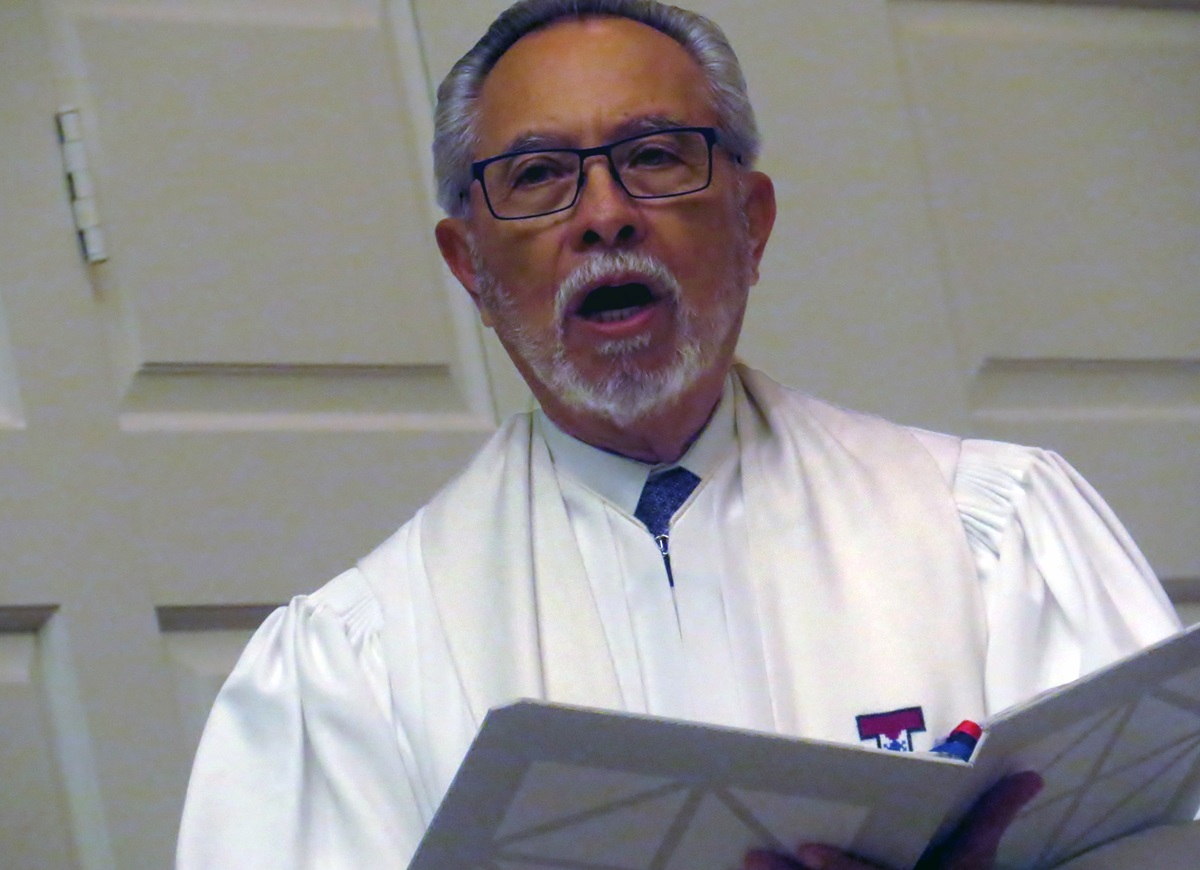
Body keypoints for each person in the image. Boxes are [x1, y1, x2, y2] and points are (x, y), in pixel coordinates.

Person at [176, 1, 1183, 868]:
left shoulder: (993, 536)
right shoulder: (361, 663)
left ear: (753, 222)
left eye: (655, 158)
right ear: (469, 266)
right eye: (537, 176)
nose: (606, 216)